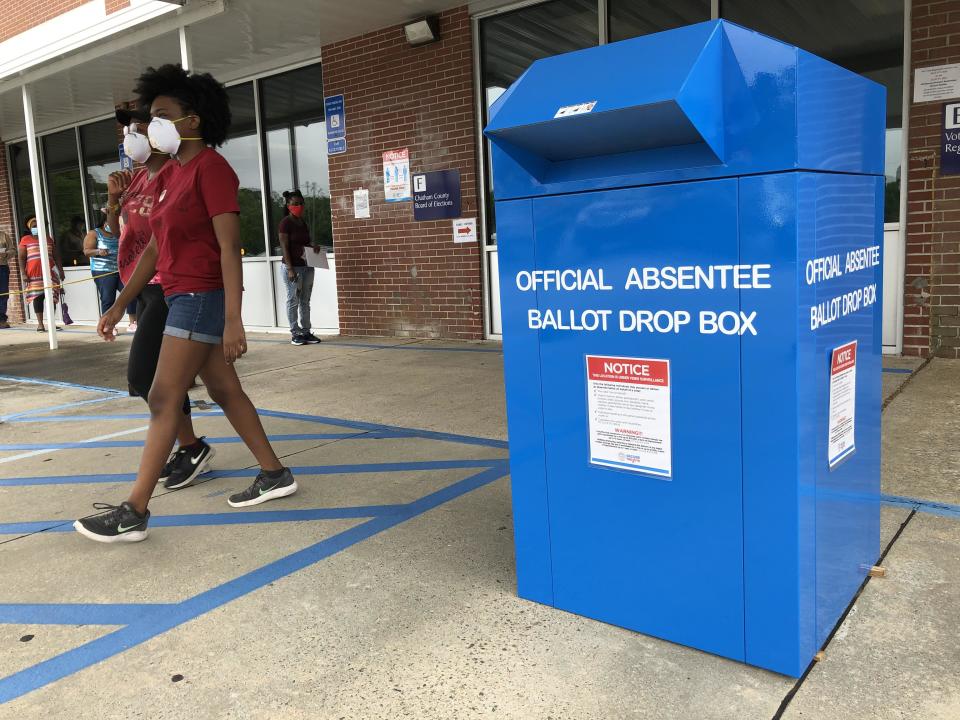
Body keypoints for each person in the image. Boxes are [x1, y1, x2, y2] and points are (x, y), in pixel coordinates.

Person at [74, 64, 297, 544]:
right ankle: (275, 473)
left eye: (161, 115)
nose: (151, 126)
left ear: (192, 120)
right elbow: (153, 247)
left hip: (200, 295)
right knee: (223, 389)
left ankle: (134, 510)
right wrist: (118, 305)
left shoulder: (211, 168)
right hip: (178, 293)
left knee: (161, 396)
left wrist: (234, 319)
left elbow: (227, 246)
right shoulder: (171, 173)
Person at [99, 106, 214, 492]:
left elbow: (157, 242)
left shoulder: (172, 174)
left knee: (146, 377)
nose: (133, 136)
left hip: (169, 286)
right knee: (211, 384)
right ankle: (192, 448)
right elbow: (113, 233)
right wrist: (114, 199)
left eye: (142, 128)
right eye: (129, 130)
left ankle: (190, 446)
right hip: (140, 286)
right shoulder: (134, 180)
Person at [278, 189, 322, 345]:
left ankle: (306, 332)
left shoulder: (302, 222)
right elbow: (284, 247)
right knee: (293, 300)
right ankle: (295, 332)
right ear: (288, 205)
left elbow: (304, 244)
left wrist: (313, 247)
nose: (299, 206)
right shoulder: (286, 223)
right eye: (295, 204)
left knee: (305, 300)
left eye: (301, 203)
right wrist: (290, 269)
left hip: (307, 266)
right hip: (293, 268)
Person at [83, 218, 137, 331]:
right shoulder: (94, 233)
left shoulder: (120, 232)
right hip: (103, 271)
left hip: (121, 269)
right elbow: (87, 251)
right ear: (106, 223)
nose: (117, 226)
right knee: (108, 299)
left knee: (131, 294)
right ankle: (108, 325)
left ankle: (133, 323)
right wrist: (98, 251)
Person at [17, 215, 64, 333]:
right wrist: (23, 274)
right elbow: (22, 258)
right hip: (34, 274)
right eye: (34, 226)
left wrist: (61, 270)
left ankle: (51, 323)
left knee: (52, 298)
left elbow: (56, 256)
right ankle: (40, 324)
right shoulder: (25, 239)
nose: (36, 227)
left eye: (38, 225)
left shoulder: (48, 238)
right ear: (29, 227)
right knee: (38, 298)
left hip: (50, 273)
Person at [0, 229, 11, 329]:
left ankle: (2, 320)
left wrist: (6, 254)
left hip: (2, 267)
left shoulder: (4, 236)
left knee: (3, 294)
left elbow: (13, 250)